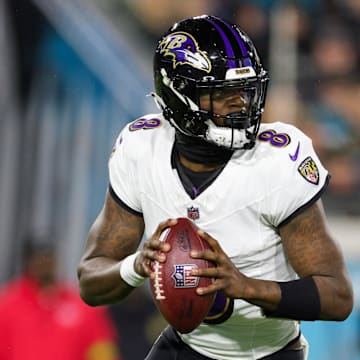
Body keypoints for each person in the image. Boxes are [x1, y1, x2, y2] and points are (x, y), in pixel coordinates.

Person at [77, 14, 354, 360]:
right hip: (185, 346)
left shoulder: (277, 161)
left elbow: (338, 296)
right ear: (180, 99)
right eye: (223, 94)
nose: (242, 104)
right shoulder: (140, 149)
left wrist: (249, 287)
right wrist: (136, 266)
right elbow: (90, 280)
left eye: (246, 90)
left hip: (268, 353)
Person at [0, 239, 121, 360]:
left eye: (48, 257)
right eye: (38, 259)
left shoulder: (81, 305)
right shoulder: (8, 304)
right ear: (27, 262)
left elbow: (102, 350)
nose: (44, 263)